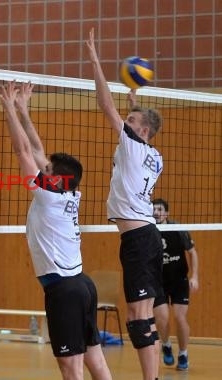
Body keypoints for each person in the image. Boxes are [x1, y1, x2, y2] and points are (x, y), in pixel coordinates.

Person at [0, 81, 111, 380]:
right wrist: (24, 109)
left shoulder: (48, 195)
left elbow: (23, 150)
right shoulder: (71, 192)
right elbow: (36, 150)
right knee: (95, 360)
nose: (43, 166)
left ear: (57, 179)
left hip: (64, 289)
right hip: (83, 285)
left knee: (71, 367)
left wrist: (8, 108)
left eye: (48, 169)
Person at [86, 28, 164, 380]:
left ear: (141, 131)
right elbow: (140, 129)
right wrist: (136, 106)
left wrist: (95, 61)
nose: (125, 123)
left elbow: (105, 104)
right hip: (146, 236)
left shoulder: (134, 144)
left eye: (130, 121)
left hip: (137, 240)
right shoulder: (155, 155)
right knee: (142, 316)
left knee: (136, 318)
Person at [152, 198, 198, 371]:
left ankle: (183, 353)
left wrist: (195, 276)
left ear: (167, 213)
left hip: (179, 280)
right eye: (153, 209)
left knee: (180, 318)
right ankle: (166, 345)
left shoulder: (177, 228)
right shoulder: (149, 231)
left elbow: (193, 253)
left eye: (160, 209)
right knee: (162, 319)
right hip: (159, 281)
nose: (156, 212)